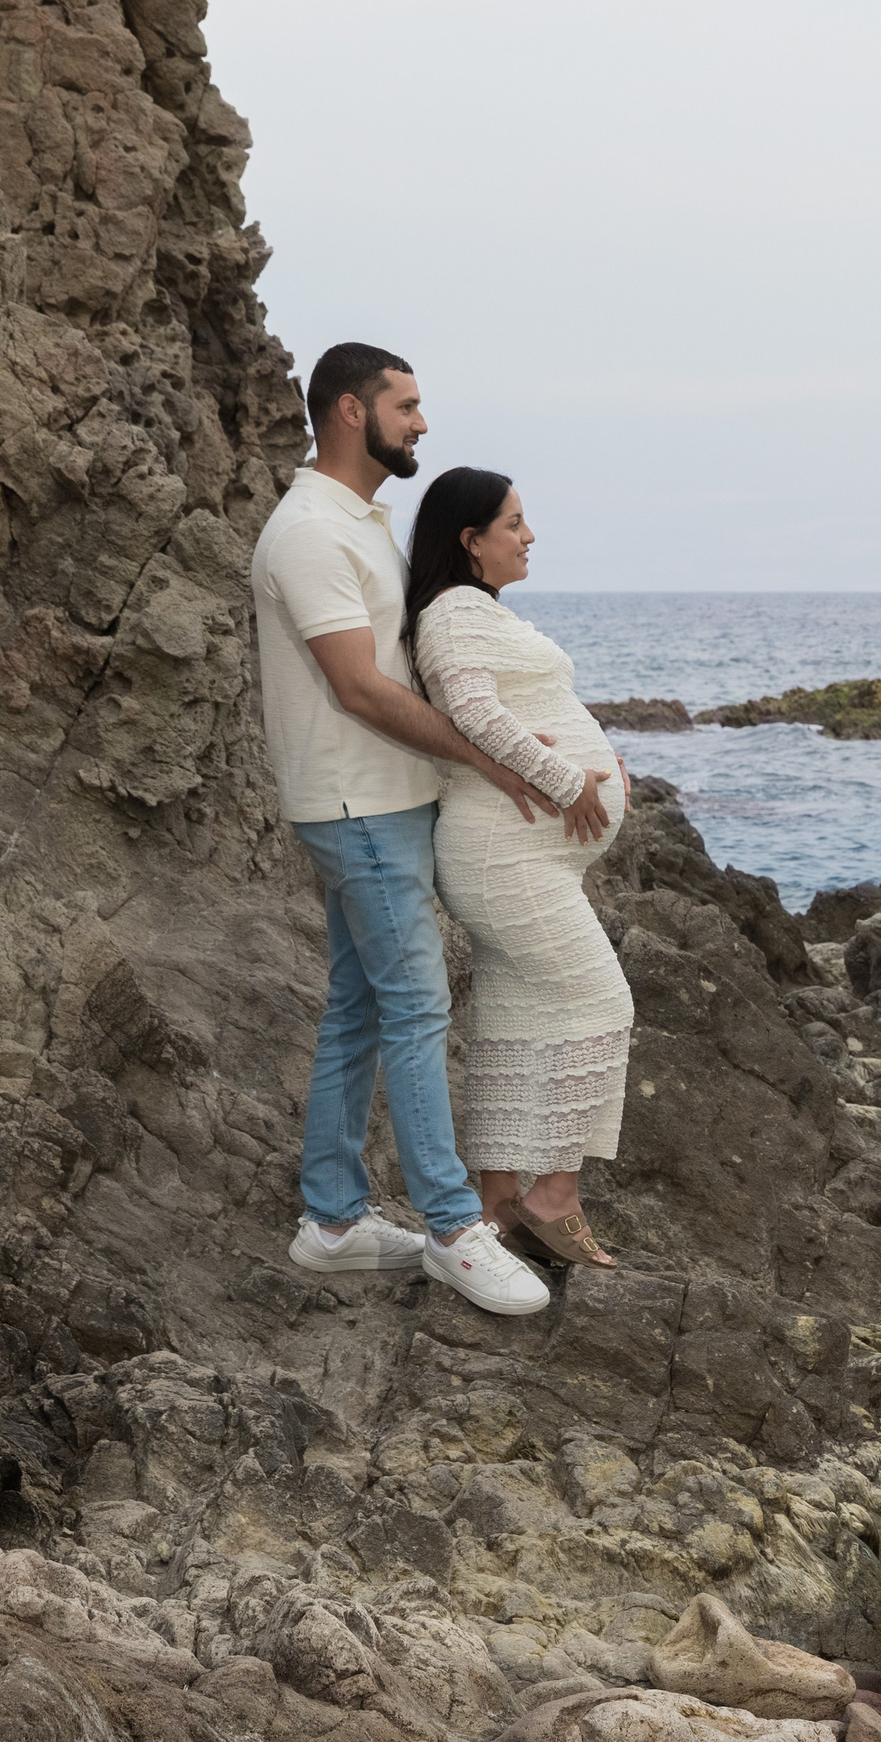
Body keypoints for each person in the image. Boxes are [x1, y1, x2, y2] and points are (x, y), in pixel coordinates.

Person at [250, 343, 592, 1316]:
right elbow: (356, 687)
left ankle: (332, 1223)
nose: (422, 424)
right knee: (417, 1009)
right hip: (357, 804)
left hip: (383, 798)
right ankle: (452, 1230)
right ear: (352, 413)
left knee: (360, 1010)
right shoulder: (310, 532)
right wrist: (488, 757)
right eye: (406, 406)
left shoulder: (359, 520)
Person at [404, 467, 632, 1268]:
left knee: (515, 1021)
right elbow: (471, 711)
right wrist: (573, 782)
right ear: (470, 541)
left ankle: (498, 1202)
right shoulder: (454, 613)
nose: (529, 536)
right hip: (507, 856)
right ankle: (554, 1196)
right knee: (603, 999)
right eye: (514, 523)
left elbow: (519, 708)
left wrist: (602, 758)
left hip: (518, 855)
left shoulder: (469, 610)